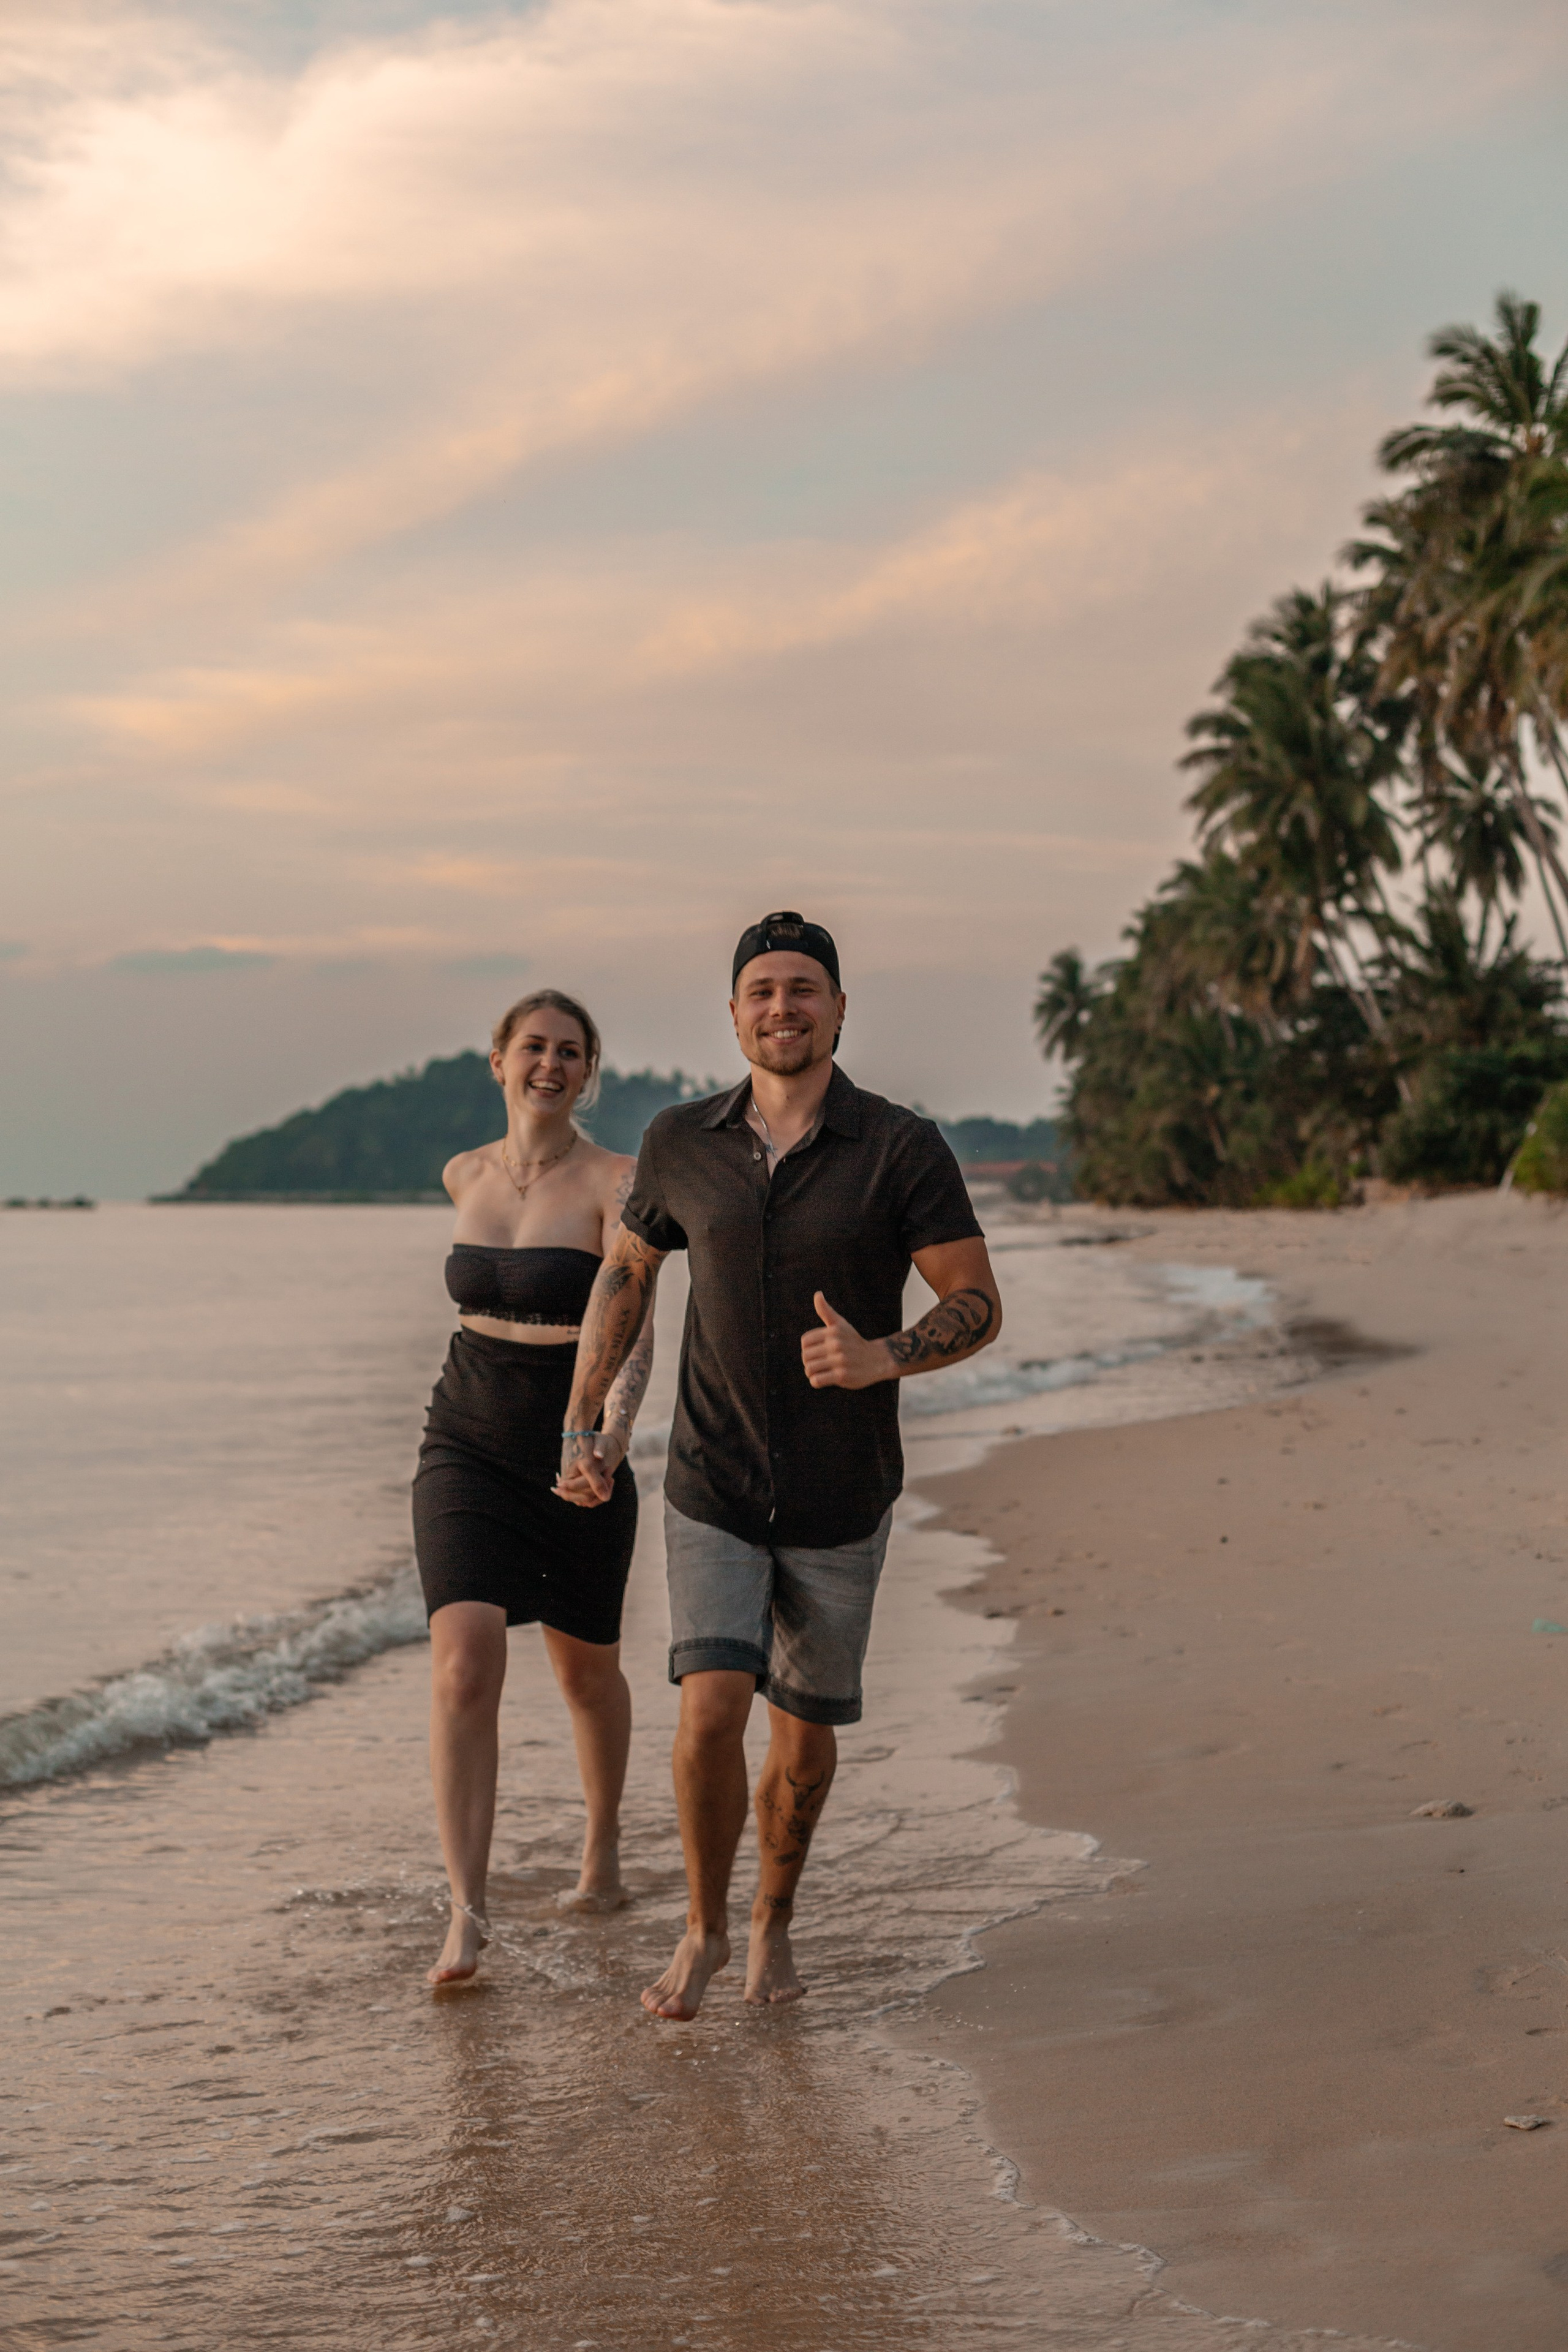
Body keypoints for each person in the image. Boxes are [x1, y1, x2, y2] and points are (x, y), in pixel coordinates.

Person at [556, 912, 1001, 2021]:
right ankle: (704, 1928)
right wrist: (585, 1427)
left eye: (804, 990)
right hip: (710, 1481)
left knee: (802, 1743)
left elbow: (978, 1303)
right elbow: (625, 1278)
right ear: (736, 1014)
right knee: (710, 1708)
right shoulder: (680, 1141)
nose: (782, 1009)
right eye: (761, 991)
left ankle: (772, 1924)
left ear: (840, 1008)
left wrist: (880, 1357)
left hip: (844, 1497)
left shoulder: (901, 1147)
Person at [412, 987, 657, 1988]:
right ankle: (465, 1918)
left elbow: (635, 1331)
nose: (548, 1065)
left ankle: (601, 1856)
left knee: (584, 1673)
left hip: (574, 1445)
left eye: (569, 1051)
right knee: (464, 1666)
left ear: (589, 1070)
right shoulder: (462, 1174)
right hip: (464, 1437)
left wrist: (604, 1439)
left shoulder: (621, 1180)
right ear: (498, 1061)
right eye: (532, 1048)